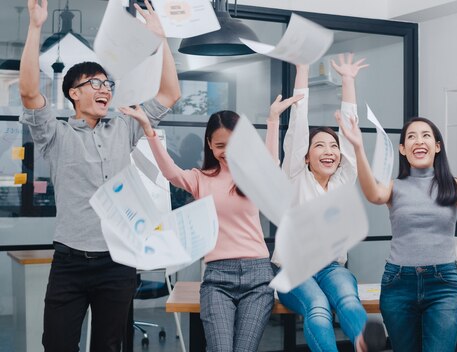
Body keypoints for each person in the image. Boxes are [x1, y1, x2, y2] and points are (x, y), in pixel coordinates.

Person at [19, 0, 180, 350]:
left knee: (109, 346)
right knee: (58, 344)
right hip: (70, 263)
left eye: (108, 83)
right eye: (94, 83)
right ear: (73, 94)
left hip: (118, 262)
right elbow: (29, 92)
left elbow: (170, 94)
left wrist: (161, 40)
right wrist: (35, 27)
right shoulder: (55, 135)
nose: (105, 88)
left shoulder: (125, 127)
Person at [120, 95, 302, 351]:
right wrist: (149, 131)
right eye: (219, 145)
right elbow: (171, 172)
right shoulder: (200, 179)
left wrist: (273, 120)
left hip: (258, 276)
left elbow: (271, 163)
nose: (226, 152)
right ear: (209, 144)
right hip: (217, 278)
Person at [338, 113, 457, 351]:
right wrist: (358, 148)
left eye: (426, 136)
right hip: (398, 283)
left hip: (444, 285)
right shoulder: (394, 187)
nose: (419, 141)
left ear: (437, 146)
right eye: (411, 137)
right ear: (402, 149)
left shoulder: (454, 184)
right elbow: (372, 194)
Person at [271, 55, 385, 352]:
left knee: (348, 299)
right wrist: (303, 70)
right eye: (319, 145)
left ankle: (364, 344)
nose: (329, 151)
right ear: (306, 156)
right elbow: (297, 125)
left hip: (332, 268)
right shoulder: (295, 175)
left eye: (333, 146)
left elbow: (350, 134)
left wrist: (348, 81)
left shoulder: (342, 181)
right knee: (319, 307)